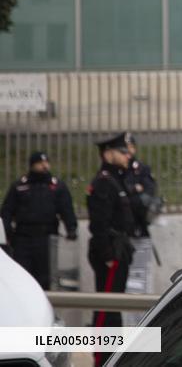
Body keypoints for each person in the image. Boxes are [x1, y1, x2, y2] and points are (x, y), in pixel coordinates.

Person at [88, 134, 135, 367]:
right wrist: (107, 255)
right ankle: (102, 360)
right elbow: (99, 223)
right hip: (111, 254)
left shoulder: (117, 179)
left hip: (119, 251)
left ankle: (112, 358)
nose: (128, 154)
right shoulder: (105, 182)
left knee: (114, 308)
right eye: (122, 151)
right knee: (107, 310)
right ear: (108, 154)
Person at [1, 152, 77, 289]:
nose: (44, 166)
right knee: (22, 274)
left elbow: (66, 208)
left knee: (46, 276)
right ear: (32, 165)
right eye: (40, 163)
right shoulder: (19, 186)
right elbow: (7, 211)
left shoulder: (56, 186)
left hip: (46, 238)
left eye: (46, 162)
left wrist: (71, 228)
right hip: (23, 239)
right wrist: (7, 233)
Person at [121, 132, 161, 323]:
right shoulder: (117, 171)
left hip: (140, 234)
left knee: (142, 284)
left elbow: (149, 194)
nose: (127, 151)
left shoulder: (141, 169)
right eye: (124, 147)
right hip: (122, 236)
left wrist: (133, 192)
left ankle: (141, 326)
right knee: (125, 287)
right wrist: (134, 191)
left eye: (129, 147)